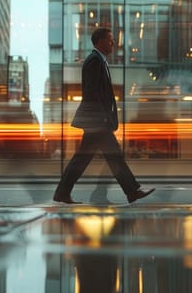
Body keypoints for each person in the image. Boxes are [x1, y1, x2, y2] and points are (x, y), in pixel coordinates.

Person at [53, 27, 155, 204]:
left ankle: (62, 192)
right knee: (112, 155)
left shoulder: (99, 61)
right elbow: (92, 93)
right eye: (110, 39)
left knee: (85, 158)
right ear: (99, 41)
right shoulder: (94, 61)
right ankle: (132, 191)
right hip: (97, 122)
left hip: (96, 121)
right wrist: (104, 119)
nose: (113, 43)